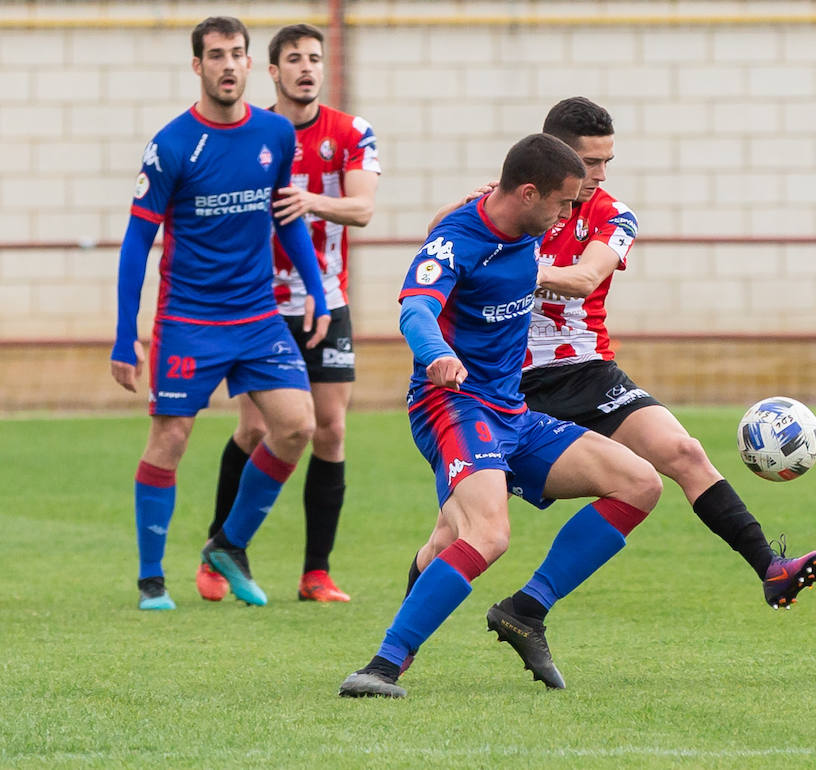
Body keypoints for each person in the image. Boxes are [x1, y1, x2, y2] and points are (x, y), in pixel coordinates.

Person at [419, 97, 816, 684]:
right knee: (453, 534)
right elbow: (437, 245)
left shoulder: (614, 215)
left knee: (682, 454)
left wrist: (501, 268)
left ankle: (770, 567)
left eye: (608, 160)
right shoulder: (512, 204)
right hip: (500, 384)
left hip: (587, 371)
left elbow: (586, 276)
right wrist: (465, 217)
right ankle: (400, 650)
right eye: (590, 163)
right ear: (555, 160)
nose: (601, 175)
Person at [337, 133, 662, 698]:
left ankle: (524, 610)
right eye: (562, 203)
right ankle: (381, 667)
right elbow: (416, 307)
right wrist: (436, 353)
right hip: (453, 405)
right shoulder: (460, 238)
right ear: (530, 194)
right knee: (488, 533)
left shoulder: (522, 221)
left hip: (512, 412)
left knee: (640, 482)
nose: (568, 215)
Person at [111, 16, 331, 610]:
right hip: (188, 319)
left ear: (249, 63)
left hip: (258, 317)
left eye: (237, 53)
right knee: (171, 440)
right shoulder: (173, 144)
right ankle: (152, 579)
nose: (228, 64)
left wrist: (314, 289)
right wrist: (122, 334)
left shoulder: (275, 135)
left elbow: (289, 216)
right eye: (215, 55)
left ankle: (228, 545)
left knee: (296, 427)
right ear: (198, 67)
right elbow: (137, 245)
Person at [199, 23, 381, 604]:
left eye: (315, 59)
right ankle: (222, 548)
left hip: (326, 300)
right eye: (295, 60)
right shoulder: (253, 133)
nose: (308, 68)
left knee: (330, 429)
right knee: (255, 428)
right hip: (259, 307)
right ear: (271, 72)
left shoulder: (350, 132)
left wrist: (312, 200)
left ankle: (315, 573)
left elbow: (363, 209)